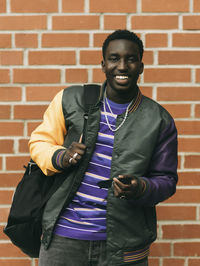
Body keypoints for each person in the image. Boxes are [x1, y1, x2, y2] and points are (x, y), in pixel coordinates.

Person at [29, 29, 178, 266]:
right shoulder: (71, 99)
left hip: (123, 247)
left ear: (140, 66)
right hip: (63, 240)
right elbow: (39, 142)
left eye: (130, 59)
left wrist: (141, 187)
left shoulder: (159, 120)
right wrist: (61, 156)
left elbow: (166, 180)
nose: (122, 66)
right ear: (103, 64)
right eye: (114, 58)